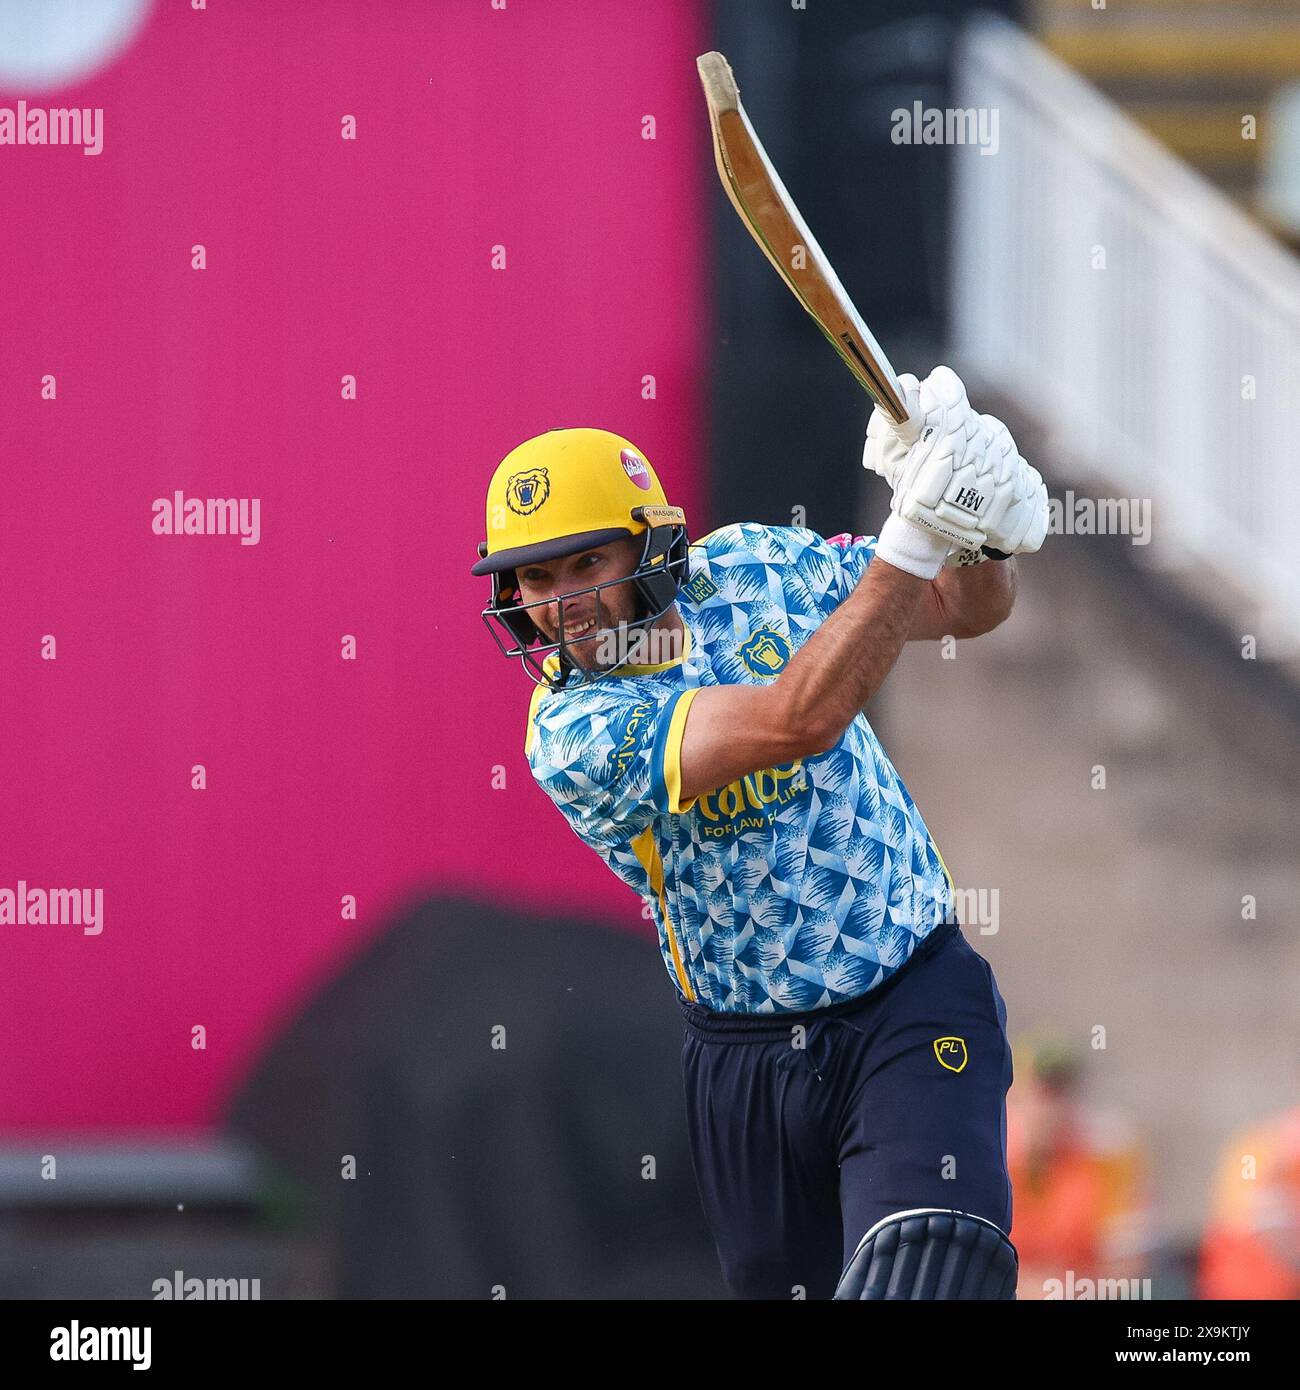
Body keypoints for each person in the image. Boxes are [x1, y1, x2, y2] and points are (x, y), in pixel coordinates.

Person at [471, 366, 1049, 1299]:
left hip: (910, 1001)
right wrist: (921, 527)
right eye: (534, 577)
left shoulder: (755, 567)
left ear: (652, 546)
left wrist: (982, 540)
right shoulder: (570, 736)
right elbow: (796, 721)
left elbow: (953, 607)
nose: (562, 602)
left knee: (933, 1266)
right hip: (745, 1066)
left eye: (587, 564)